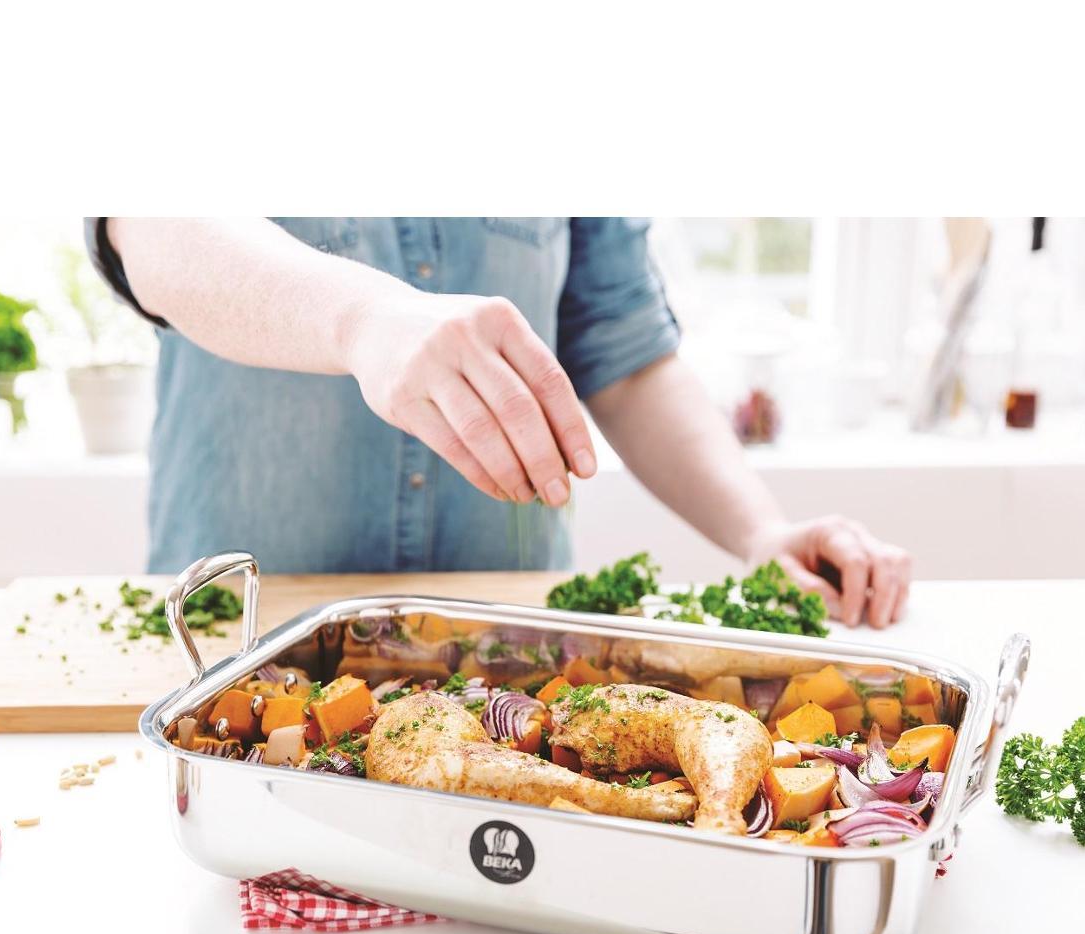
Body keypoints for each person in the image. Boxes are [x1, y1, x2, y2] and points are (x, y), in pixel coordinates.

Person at [86, 218, 911, 628]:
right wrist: (364, 319)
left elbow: (622, 348)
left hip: (508, 651)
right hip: (237, 629)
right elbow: (152, 228)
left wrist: (759, 532)